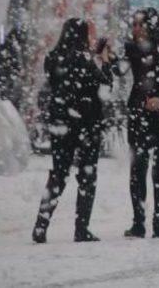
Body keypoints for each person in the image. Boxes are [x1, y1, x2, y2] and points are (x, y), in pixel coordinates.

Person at [31, 18, 113, 243]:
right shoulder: (85, 60)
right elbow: (105, 88)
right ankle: (81, 228)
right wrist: (104, 62)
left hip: (61, 124)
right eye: (89, 34)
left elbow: (57, 82)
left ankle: (41, 225)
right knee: (87, 176)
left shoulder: (53, 57)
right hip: (86, 124)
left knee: (58, 174)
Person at [115, 7, 159, 239]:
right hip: (139, 114)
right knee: (138, 169)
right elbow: (120, 70)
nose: (135, 29)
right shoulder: (131, 49)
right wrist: (107, 58)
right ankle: (139, 221)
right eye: (133, 25)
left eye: (140, 25)